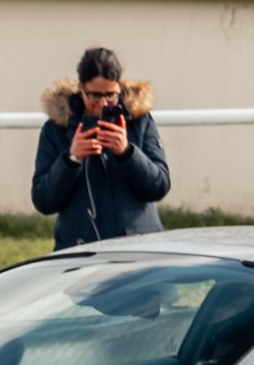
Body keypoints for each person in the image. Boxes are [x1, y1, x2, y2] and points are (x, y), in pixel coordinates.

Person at [31, 44, 172, 249]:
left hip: (138, 249)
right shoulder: (56, 129)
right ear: (81, 88)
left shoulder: (140, 121)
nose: (104, 104)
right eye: (95, 95)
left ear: (119, 87)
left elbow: (159, 186)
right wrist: (71, 160)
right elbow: (43, 200)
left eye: (111, 95)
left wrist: (127, 153)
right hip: (79, 251)